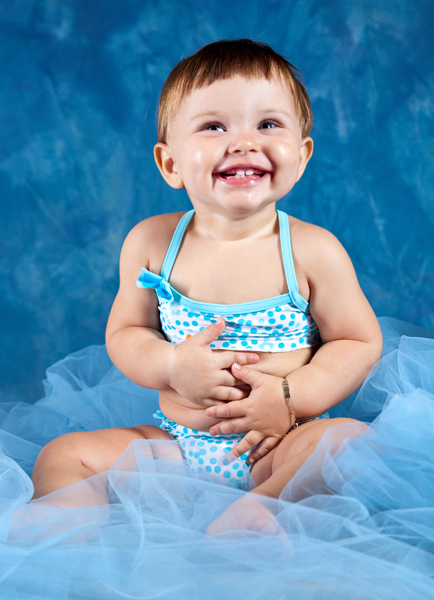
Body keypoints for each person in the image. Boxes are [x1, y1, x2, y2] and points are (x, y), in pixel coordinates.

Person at [31, 39, 382, 535]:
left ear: (302, 156)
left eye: (268, 124)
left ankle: (257, 509)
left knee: (348, 442)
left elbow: (357, 341)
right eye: (214, 126)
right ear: (171, 164)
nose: (244, 142)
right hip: (175, 447)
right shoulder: (152, 242)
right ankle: (66, 522)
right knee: (65, 453)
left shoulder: (313, 250)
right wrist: (172, 365)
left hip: (275, 447)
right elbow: (126, 332)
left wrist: (289, 395)